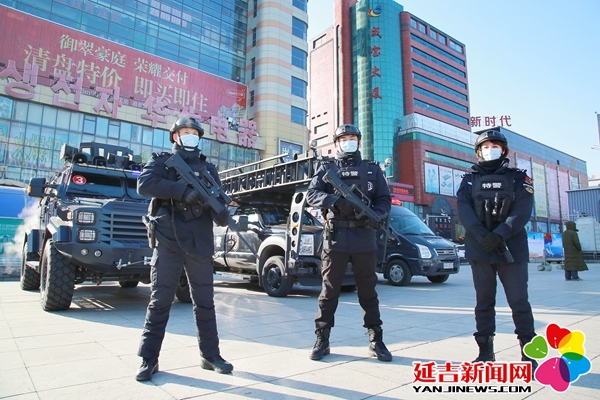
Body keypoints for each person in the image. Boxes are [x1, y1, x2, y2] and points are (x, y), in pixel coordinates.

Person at [135, 116, 232, 381]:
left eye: (194, 133)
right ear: (175, 136)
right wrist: (180, 191)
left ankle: (210, 355)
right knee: (160, 300)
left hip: (200, 242)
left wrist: (222, 214)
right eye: (185, 131)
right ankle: (148, 358)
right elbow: (144, 184)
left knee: (205, 302)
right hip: (169, 240)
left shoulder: (208, 169)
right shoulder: (161, 162)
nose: (190, 136)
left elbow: (216, 200)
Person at [306, 123, 392, 362]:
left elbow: (384, 199)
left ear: (359, 142)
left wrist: (377, 215)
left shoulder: (372, 169)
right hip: (336, 237)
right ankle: (322, 339)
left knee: (368, 291)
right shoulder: (327, 167)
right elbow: (312, 194)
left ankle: (376, 339)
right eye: (344, 139)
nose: (348, 142)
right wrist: (335, 201)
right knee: (329, 292)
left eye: (352, 138)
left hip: (364, 236)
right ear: (336, 144)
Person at [456, 128, 538, 371]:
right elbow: (465, 212)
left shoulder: (519, 179)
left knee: (519, 302)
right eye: (485, 147)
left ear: (503, 151)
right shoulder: (468, 180)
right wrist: (484, 237)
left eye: (495, 146)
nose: (490, 150)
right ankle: (485, 352)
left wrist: (500, 234)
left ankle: (529, 354)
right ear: (478, 152)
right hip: (480, 248)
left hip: (511, 248)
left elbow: (521, 212)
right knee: (484, 302)